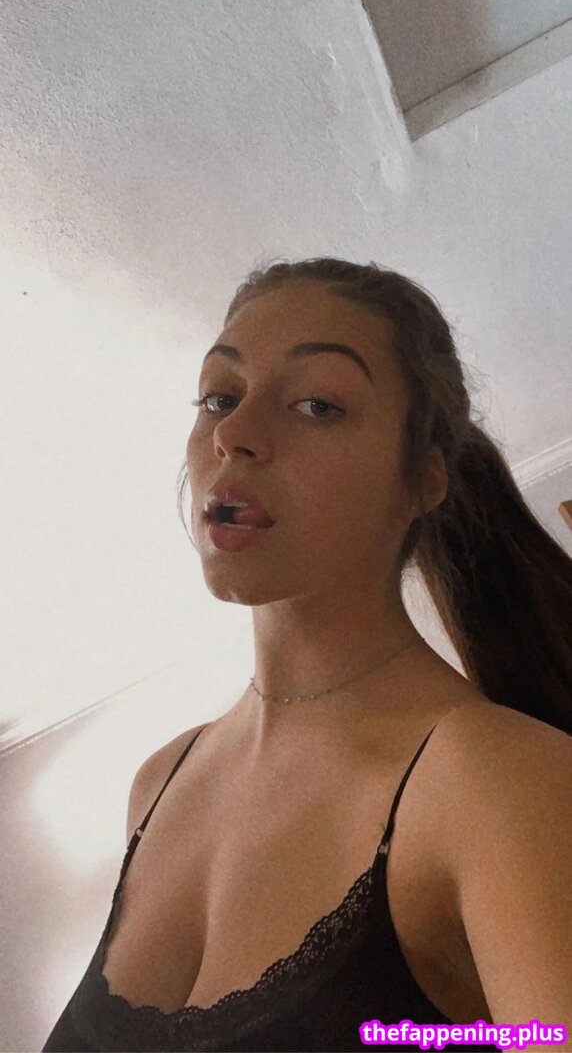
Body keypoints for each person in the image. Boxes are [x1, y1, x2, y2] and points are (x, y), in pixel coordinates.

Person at [43, 258, 572, 1052]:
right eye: (220, 397)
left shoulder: (493, 778)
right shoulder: (158, 784)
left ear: (423, 478)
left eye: (317, 405)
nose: (233, 435)